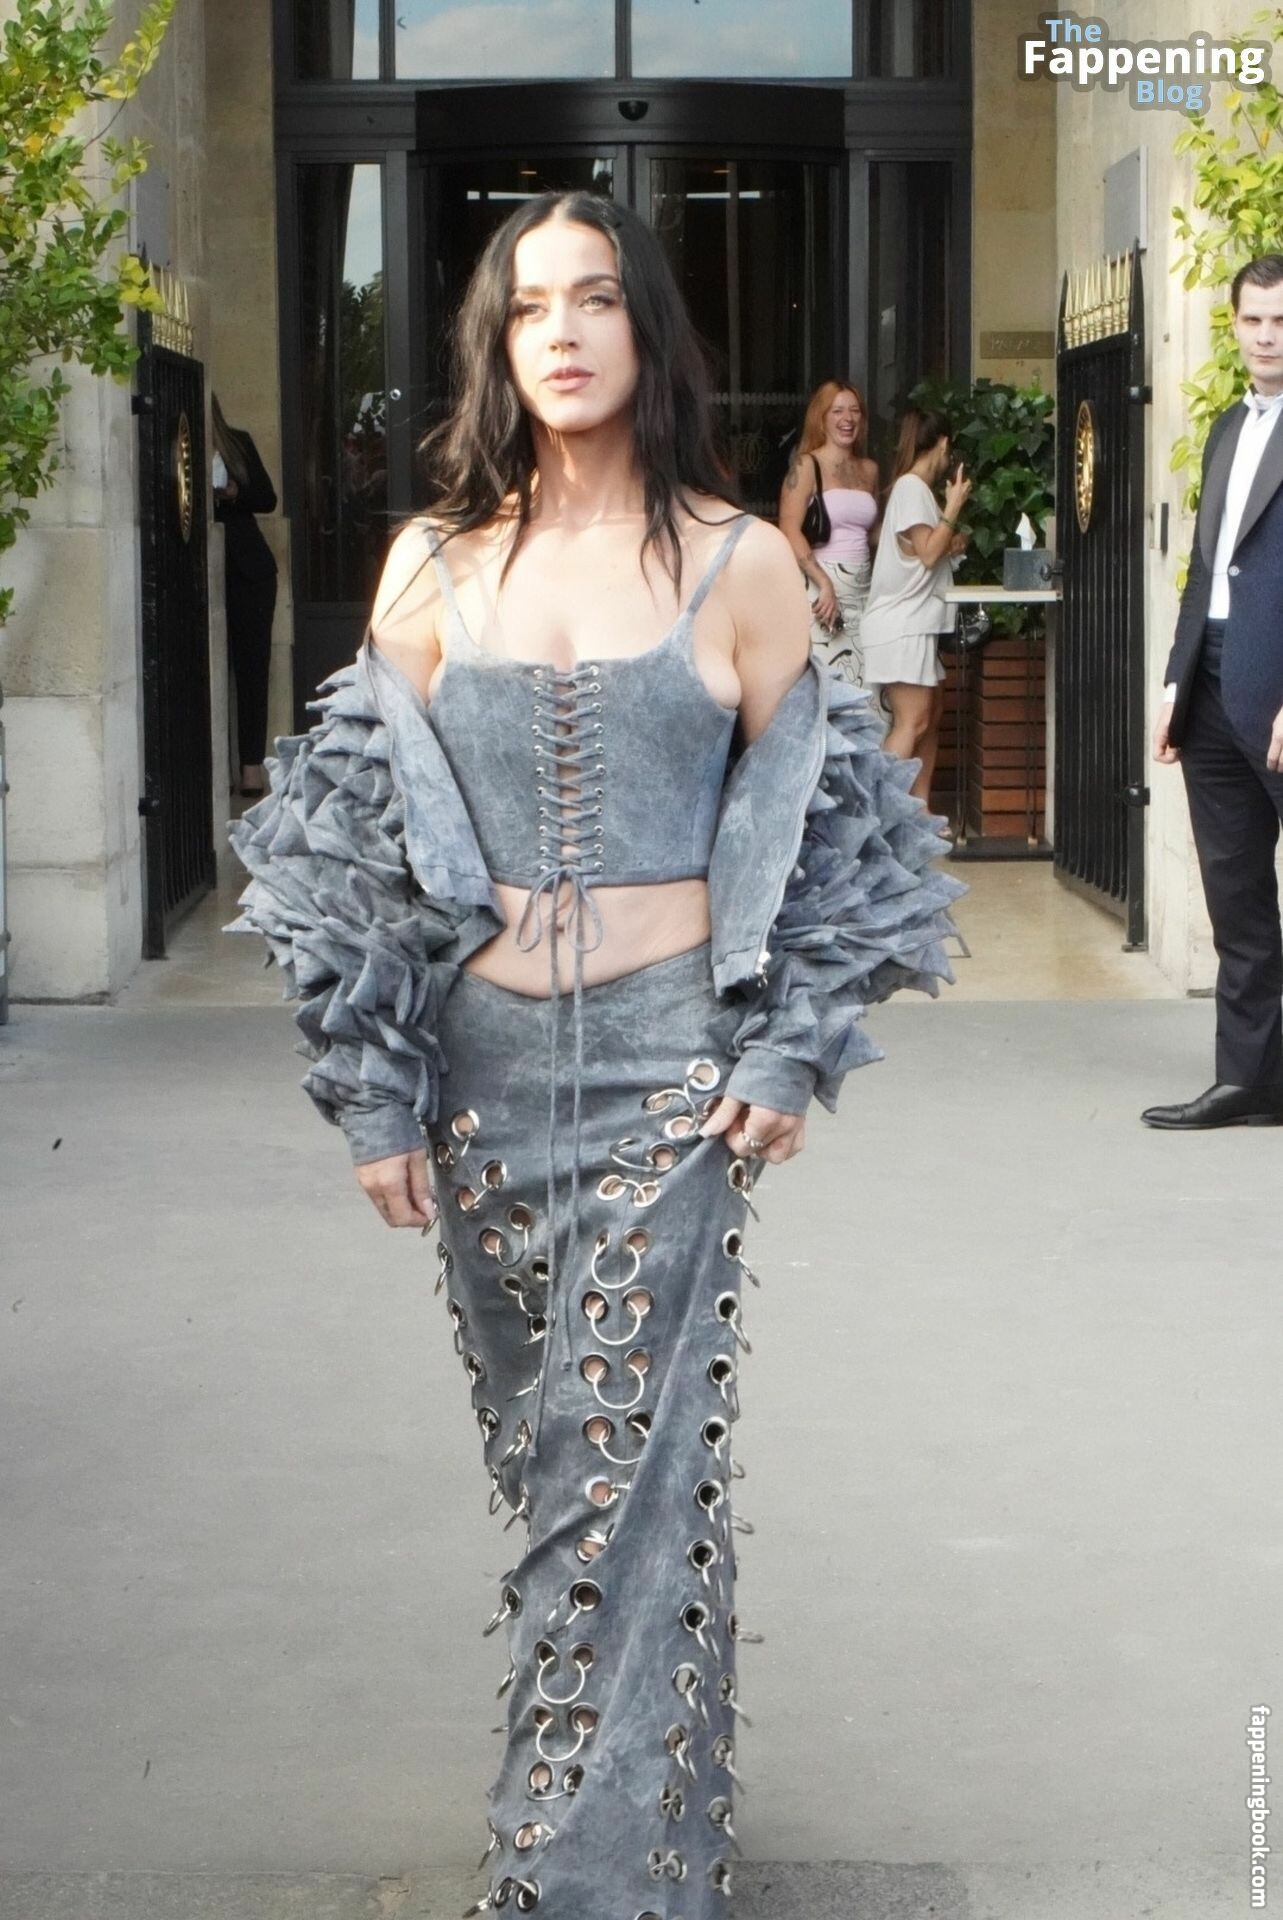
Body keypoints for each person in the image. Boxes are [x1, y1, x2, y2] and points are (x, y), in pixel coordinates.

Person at [226, 191, 962, 1919]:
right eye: (528, 305)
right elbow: (347, 846)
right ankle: (657, 1822)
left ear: (648, 333)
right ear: (495, 343)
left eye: (596, 299)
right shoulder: (431, 563)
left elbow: (843, 823)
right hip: (481, 1071)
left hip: (665, 1075)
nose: (560, 331)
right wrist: (375, 1086)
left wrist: (783, 1049)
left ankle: (581, 1875)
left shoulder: (739, 560)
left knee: (622, 1462)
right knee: (557, 1462)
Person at [1145, 253, 1283, 1130]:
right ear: (1233, 326)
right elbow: (1206, 567)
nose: (1266, 337)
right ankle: (1250, 1080)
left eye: (1281, 321)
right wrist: (1175, 680)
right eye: (1253, 321)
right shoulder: (1230, 425)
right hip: (1212, 684)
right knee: (1236, 898)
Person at [860, 407, 970, 804]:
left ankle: (918, 811)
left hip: (916, 623)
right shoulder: (911, 488)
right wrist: (953, 507)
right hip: (901, 624)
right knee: (913, 720)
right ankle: (877, 811)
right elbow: (927, 553)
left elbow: (929, 548)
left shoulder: (915, 491)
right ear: (943, 444)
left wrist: (950, 535)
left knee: (930, 716)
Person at [778, 381, 880, 686]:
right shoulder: (806, 465)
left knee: (867, 687)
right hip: (822, 587)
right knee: (828, 685)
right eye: (837, 411)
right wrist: (823, 582)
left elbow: (874, 534)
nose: (847, 418)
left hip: (863, 589)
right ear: (821, 419)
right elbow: (789, 529)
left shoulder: (870, 469)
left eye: (854, 410)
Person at [212, 393, 279, 797]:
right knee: (204, 670)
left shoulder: (236, 442)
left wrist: (235, 494)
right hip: (197, 572)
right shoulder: (174, 447)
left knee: (252, 667)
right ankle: (213, 768)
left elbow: (268, 499)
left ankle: (251, 767)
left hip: (248, 571)